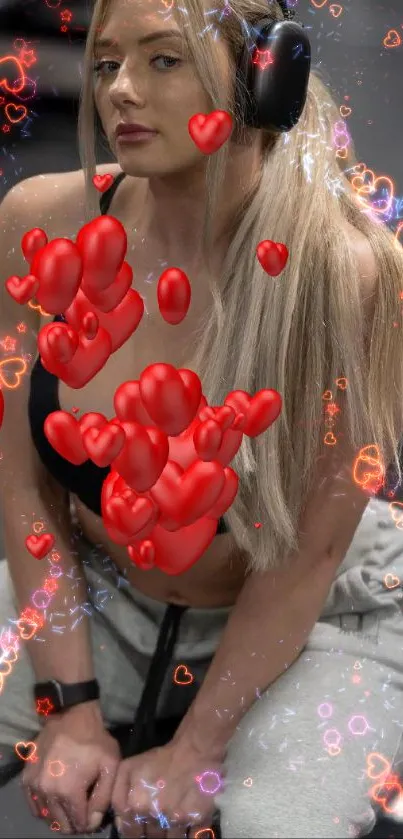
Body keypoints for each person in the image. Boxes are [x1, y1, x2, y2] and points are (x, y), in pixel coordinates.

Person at [0, 0, 403, 836]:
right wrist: (67, 704)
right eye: (108, 64)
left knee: (266, 821)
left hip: (319, 604)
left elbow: (303, 558)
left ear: (267, 77)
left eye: (163, 60)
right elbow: (22, 487)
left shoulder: (351, 273)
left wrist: (193, 752)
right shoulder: (38, 221)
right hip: (103, 587)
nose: (120, 92)